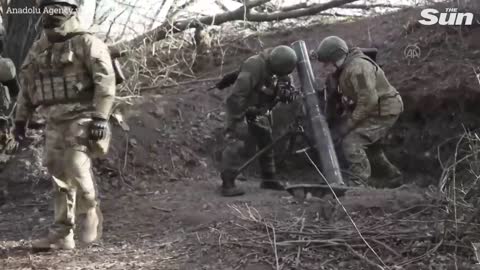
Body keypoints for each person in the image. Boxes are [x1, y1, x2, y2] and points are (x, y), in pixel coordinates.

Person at [14, 0, 116, 250]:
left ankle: (90, 211)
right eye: (47, 8)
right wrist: (20, 119)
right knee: (57, 173)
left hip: (83, 115)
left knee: (75, 165)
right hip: (53, 119)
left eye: (57, 8)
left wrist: (101, 118)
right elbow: (27, 87)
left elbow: (105, 83)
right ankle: (62, 233)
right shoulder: (39, 48)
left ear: (70, 10)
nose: (51, 13)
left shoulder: (87, 43)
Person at [313, 36, 404, 187]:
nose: (324, 68)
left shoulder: (358, 69)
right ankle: (392, 178)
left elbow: (368, 99)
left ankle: (358, 185)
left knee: (352, 142)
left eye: (327, 63)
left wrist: (349, 124)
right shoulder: (344, 69)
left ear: (336, 59)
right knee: (370, 147)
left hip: (384, 110)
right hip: (375, 109)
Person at [220, 45, 298, 196]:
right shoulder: (254, 65)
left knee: (266, 138)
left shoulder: (282, 70)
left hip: (259, 108)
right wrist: (237, 120)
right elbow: (236, 96)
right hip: (241, 106)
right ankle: (227, 182)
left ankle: (269, 178)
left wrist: (287, 94)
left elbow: (288, 92)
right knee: (236, 140)